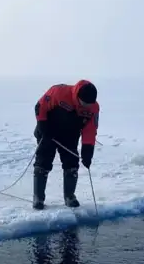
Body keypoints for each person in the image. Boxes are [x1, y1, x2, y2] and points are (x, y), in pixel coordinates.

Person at [31, 80, 99, 210]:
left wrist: (87, 151)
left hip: (70, 135)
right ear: (77, 97)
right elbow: (40, 107)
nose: (86, 107)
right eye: (84, 104)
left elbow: (90, 130)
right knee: (43, 162)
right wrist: (44, 129)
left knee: (72, 164)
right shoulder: (59, 92)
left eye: (89, 105)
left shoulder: (93, 108)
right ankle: (38, 198)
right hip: (48, 131)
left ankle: (69, 196)